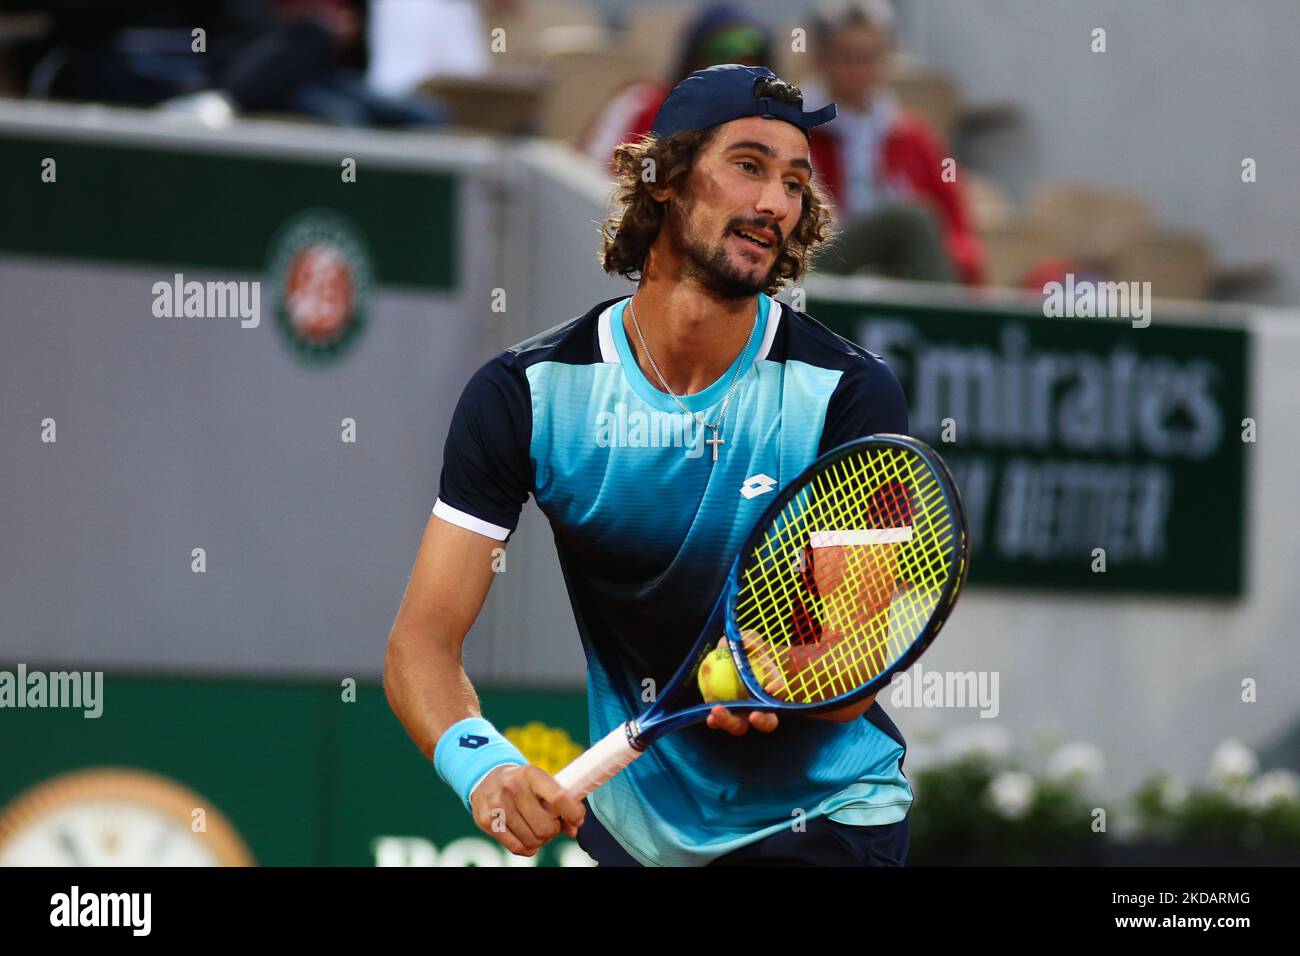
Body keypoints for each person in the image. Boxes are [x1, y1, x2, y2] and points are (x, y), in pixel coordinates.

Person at [385, 64, 913, 867]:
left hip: (825, 820)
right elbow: (421, 644)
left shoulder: (847, 391)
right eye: (748, 166)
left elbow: (855, 669)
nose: (775, 202)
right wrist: (485, 771)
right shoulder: (526, 396)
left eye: (796, 183)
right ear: (665, 178)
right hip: (636, 832)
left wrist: (767, 677)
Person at [804, 0, 984, 284]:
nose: (859, 70)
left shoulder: (912, 136)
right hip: (821, 267)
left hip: (899, 277)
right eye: (848, 57)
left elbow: (957, 228)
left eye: (870, 58)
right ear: (821, 60)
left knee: (917, 223)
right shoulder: (797, 129)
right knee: (909, 220)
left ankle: (946, 317)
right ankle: (946, 325)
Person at [579, 3, 772, 167]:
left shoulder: (770, 129)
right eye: (721, 65)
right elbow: (591, 176)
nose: (734, 79)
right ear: (694, 61)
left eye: (748, 68)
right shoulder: (642, 104)